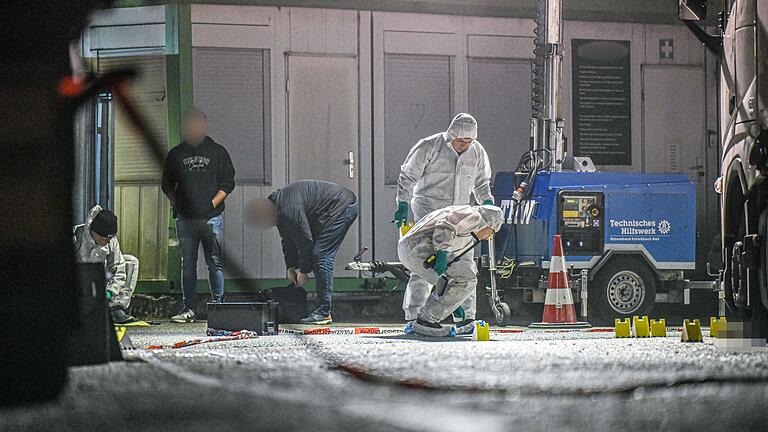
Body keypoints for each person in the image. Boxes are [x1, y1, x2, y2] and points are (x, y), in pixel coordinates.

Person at [395, 113, 494, 334]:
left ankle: (466, 317)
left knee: (466, 263)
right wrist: (402, 202)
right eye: (460, 141)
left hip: (460, 216)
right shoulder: (429, 146)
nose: (464, 146)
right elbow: (408, 176)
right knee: (424, 265)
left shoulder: (477, 151)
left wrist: (487, 204)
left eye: (468, 142)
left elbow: (481, 183)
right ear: (450, 135)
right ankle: (414, 315)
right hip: (428, 213)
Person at [246, 180, 358, 325]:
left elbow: (305, 240)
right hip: (328, 210)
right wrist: (291, 267)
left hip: (342, 206)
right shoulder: (279, 208)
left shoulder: (288, 210)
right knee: (318, 253)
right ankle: (322, 311)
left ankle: (324, 313)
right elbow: (287, 240)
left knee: (321, 255)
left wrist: (304, 271)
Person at [161, 108, 235, 323]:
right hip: (185, 219)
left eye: (198, 124)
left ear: (204, 126)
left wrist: (209, 204)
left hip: (212, 218)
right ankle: (188, 308)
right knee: (188, 264)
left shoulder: (218, 152)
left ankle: (218, 307)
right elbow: (166, 185)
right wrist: (179, 203)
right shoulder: (176, 154)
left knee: (215, 263)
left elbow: (228, 184)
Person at [398, 204, 503, 337]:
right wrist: (442, 251)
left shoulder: (465, 221)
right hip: (419, 248)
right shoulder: (475, 216)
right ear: (490, 224)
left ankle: (425, 319)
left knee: (452, 279)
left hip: (411, 250)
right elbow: (446, 225)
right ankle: (426, 320)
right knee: (467, 279)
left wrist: (452, 303)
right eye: (492, 232)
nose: (488, 237)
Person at [73, 205, 140, 325]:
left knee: (131, 262)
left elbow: (118, 268)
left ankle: (114, 308)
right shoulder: (76, 237)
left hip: (102, 287)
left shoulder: (111, 241)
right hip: (79, 289)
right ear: (93, 231)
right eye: (104, 238)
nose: (107, 242)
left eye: (110, 239)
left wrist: (110, 292)